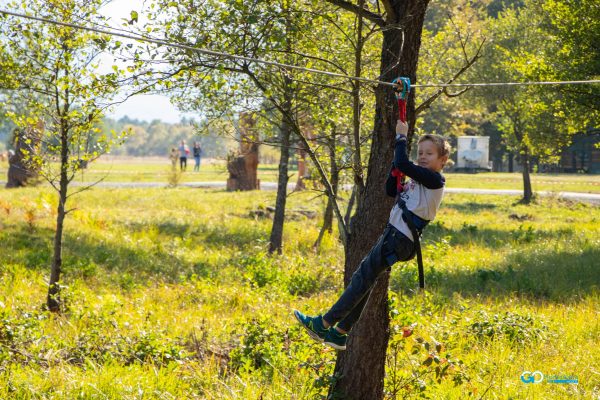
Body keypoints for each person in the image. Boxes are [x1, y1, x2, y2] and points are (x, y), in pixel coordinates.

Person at [294, 119, 450, 350]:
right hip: (395, 236)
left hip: (400, 238)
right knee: (365, 278)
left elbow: (402, 161)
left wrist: (401, 137)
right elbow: (391, 189)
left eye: (430, 153)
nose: (423, 157)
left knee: (362, 277)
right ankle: (339, 332)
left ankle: (324, 323)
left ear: (442, 160)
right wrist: (395, 171)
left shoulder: (434, 180)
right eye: (420, 153)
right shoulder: (418, 179)